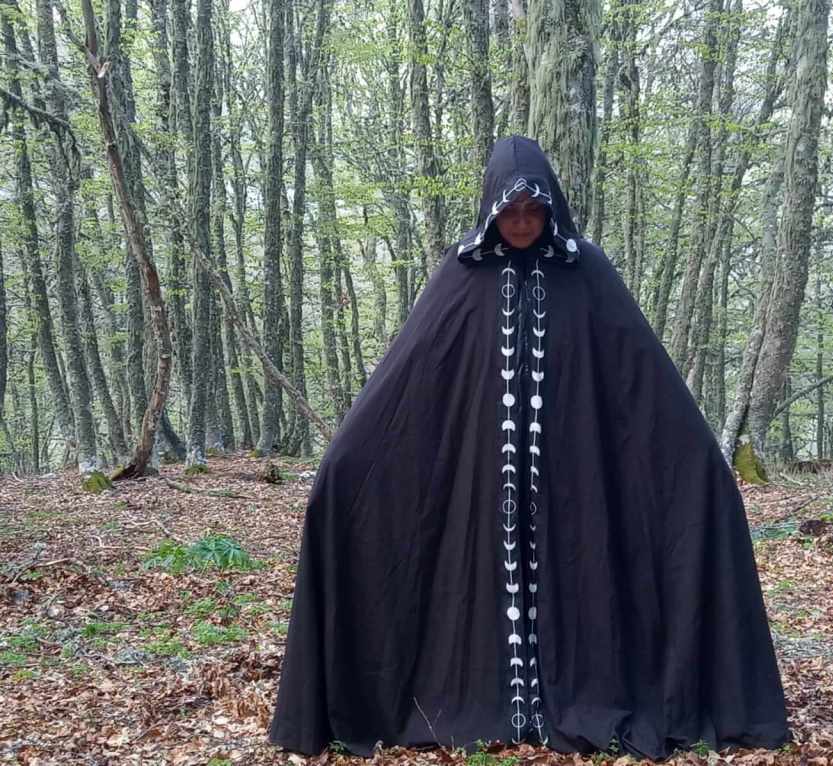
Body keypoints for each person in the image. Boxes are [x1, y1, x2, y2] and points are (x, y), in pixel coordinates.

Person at [267, 135, 792, 760]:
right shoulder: (462, 275)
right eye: (510, 211)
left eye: (533, 211)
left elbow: (640, 375)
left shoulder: (586, 272)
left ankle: (574, 695)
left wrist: (700, 462)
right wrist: (344, 466)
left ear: (551, 209)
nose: (521, 223)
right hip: (480, 496)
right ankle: (483, 698)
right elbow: (409, 375)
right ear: (491, 210)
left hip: (574, 490)